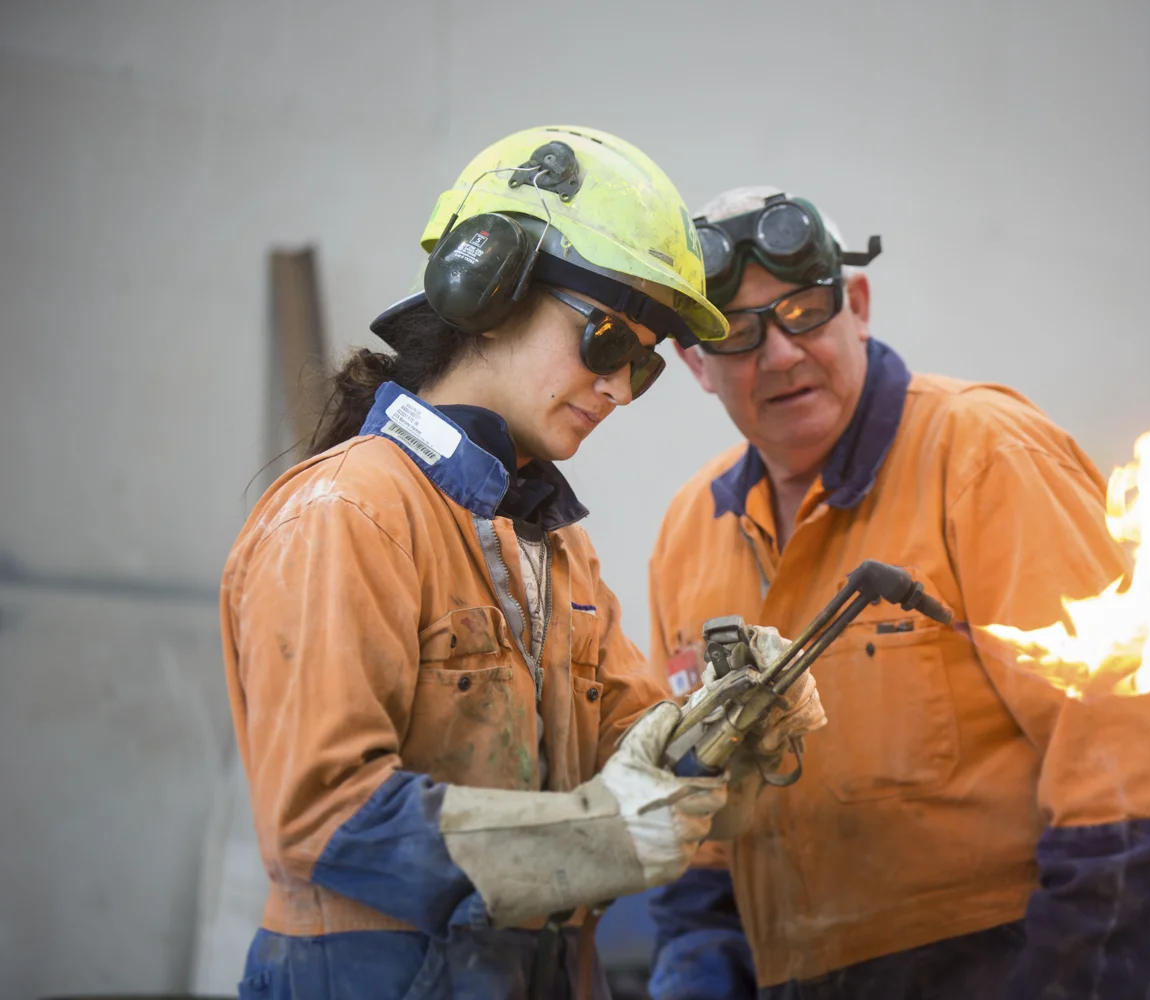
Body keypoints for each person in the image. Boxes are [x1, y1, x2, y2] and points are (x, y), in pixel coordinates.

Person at [220, 130, 822, 1000]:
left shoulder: (552, 543)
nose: (620, 389)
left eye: (645, 365)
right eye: (609, 340)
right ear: (488, 282)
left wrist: (728, 732)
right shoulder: (348, 515)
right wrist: (590, 838)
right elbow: (323, 818)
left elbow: (635, 779)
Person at [646, 187, 1150, 999]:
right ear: (696, 363)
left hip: (998, 966)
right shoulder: (691, 530)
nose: (784, 354)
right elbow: (696, 809)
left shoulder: (984, 457)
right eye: (737, 333)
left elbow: (1119, 754)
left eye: (805, 310)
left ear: (857, 304)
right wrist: (698, 963)